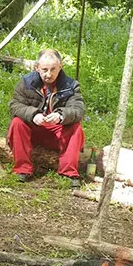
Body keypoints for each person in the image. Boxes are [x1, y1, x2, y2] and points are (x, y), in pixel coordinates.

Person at [7, 48, 86, 187]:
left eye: (53, 69)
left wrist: (61, 115)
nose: (49, 74)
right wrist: (33, 114)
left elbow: (78, 110)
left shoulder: (71, 86)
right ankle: (22, 170)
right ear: (37, 68)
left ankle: (69, 172)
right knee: (17, 122)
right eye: (44, 69)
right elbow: (14, 105)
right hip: (33, 132)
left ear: (60, 67)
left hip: (57, 133)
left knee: (76, 127)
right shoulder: (26, 83)